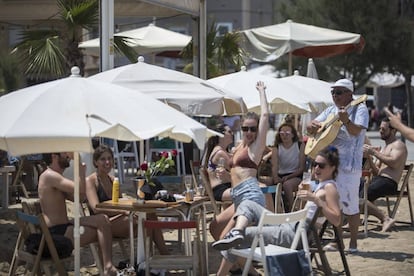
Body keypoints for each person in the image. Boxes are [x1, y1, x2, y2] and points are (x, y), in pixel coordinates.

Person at [216, 147, 342, 275]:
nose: (316, 168)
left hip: (296, 233)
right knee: (247, 204)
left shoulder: (329, 187)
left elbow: (337, 220)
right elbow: (309, 213)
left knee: (236, 237)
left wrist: (316, 200)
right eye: (315, 164)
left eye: (321, 165)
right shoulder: (319, 185)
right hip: (293, 227)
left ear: (333, 168)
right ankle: (238, 230)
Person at [307, 78, 369, 253]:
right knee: (333, 203)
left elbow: (357, 131)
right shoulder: (330, 110)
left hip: (350, 166)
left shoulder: (360, 108)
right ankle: (338, 240)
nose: (335, 95)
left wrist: (347, 121)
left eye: (339, 92)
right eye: (333, 92)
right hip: (330, 165)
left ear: (350, 93)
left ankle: (354, 243)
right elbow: (311, 128)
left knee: (350, 205)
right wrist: (311, 127)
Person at [38, 152, 118, 275]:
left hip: (62, 227)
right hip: (57, 234)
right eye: (64, 153)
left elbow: (79, 197)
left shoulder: (55, 177)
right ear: (54, 156)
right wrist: (79, 166)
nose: (68, 156)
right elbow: (80, 189)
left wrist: (80, 171)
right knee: (104, 231)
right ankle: (107, 267)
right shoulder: (50, 176)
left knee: (102, 220)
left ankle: (107, 267)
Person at [212, 81, 270, 250]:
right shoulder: (238, 147)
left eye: (253, 129)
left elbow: (265, 116)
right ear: (242, 129)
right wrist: (226, 174)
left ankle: (241, 267)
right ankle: (245, 268)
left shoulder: (256, 147)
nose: (250, 133)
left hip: (250, 195)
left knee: (226, 239)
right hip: (238, 195)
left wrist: (261, 92)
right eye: (246, 129)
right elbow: (238, 172)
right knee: (214, 227)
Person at [85, 144, 168, 254]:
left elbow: (120, 202)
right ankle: (149, 260)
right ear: (95, 162)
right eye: (103, 159)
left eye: (109, 158)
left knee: (150, 216)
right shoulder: (91, 181)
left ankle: (153, 259)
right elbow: (96, 208)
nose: (107, 162)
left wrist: (130, 209)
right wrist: (123, 211)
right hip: (103, 224)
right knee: (143, 221)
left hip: (118, 219)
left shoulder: (113, 180)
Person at [363, 118, 407, 232]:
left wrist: (374, 153)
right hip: (379, 179)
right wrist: (369, 157)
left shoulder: (398, 145)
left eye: (383, 129)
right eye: (380, 128)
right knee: (356, 192)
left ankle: (385, 218)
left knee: (362, 196)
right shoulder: (384, 148)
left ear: (393, 131)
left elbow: (394, 163)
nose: (380, 131)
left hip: (389, 182)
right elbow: (377, 171)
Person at [267, 122, 306, 212]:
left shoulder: (300, 145)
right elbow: (275, 165)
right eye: (282, 134)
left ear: (293, 135)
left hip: (295, 174)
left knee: (287, 185)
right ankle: (272, 209)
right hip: (281, 174)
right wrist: (276, 177)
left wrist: (288, 177)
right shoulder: (277, 147)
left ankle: (292, 209)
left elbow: (301, 168)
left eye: (287, 134)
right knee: (265, 183)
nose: (284, 136)